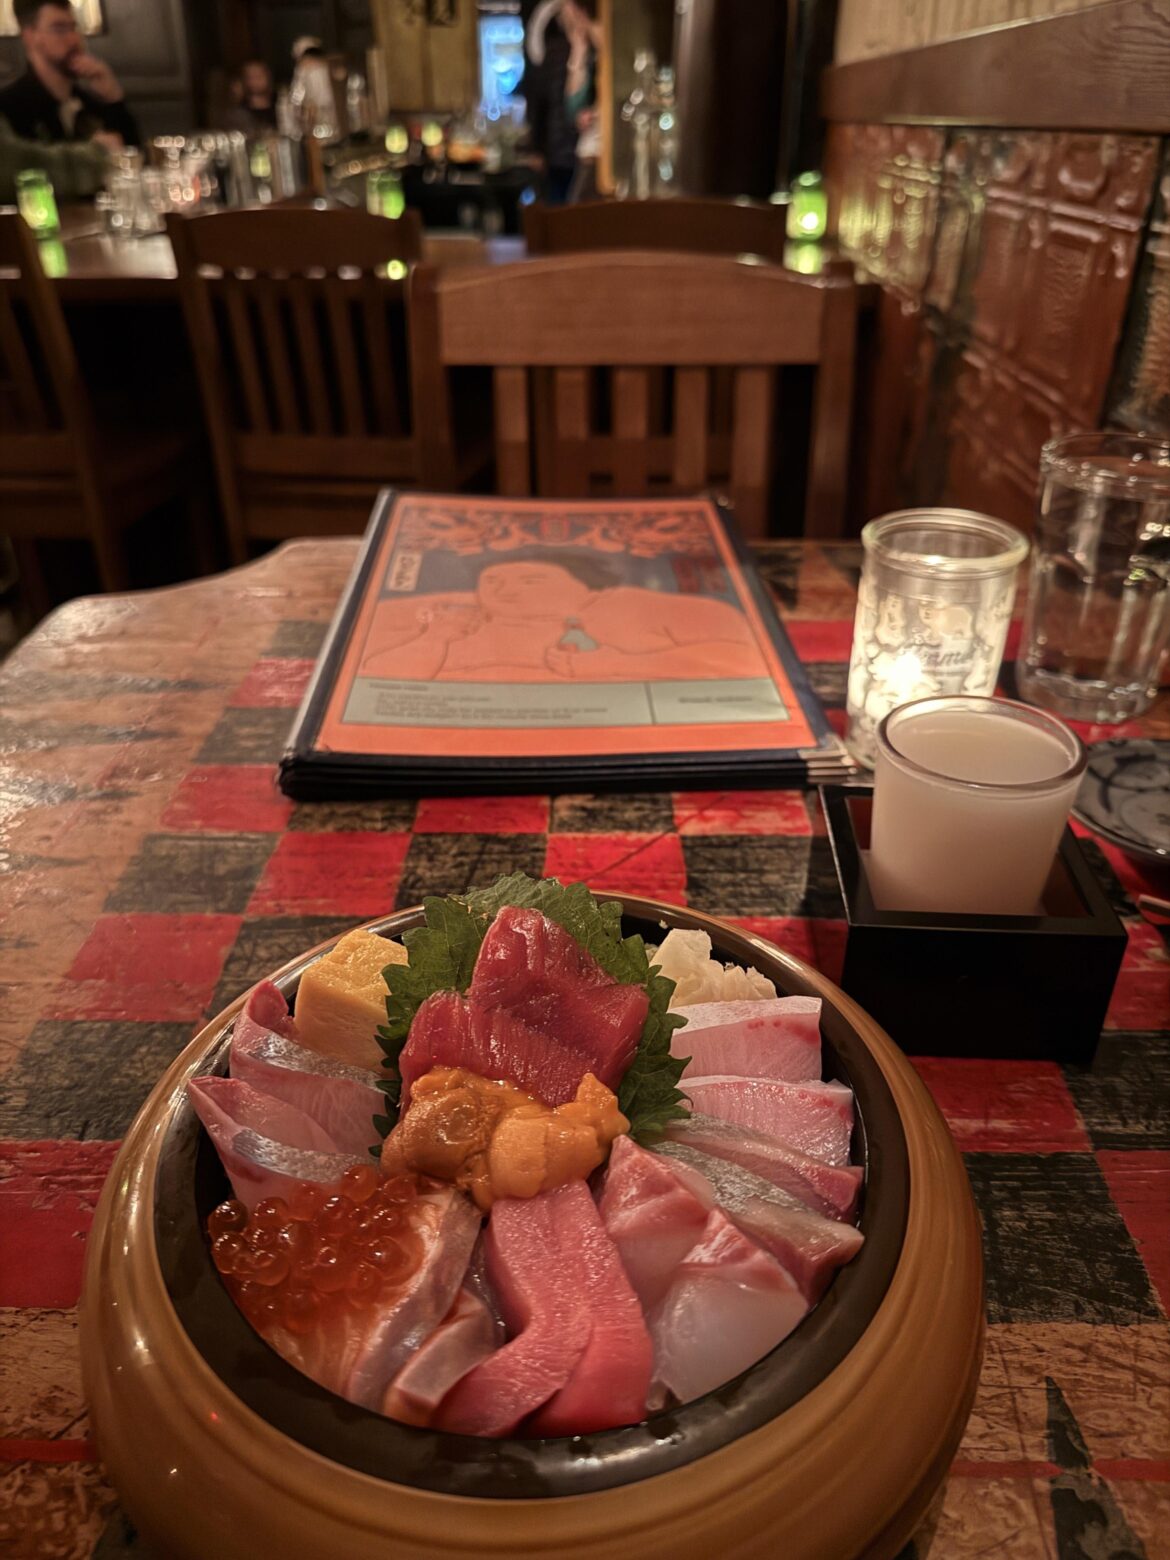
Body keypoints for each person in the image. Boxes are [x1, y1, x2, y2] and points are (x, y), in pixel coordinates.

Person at [359, 553, 768, 683]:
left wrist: (620, 664)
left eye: (531, 579)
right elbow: (378, 681)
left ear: (583, 584)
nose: (504, 589)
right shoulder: (455, 620)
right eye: (492, 580)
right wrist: (433, 639)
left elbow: (746, 660)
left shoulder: (631, 605)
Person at [0, 0, 138, 147]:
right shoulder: (8, 110)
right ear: (30, 37)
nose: (74, 39)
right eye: (59, 29)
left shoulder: (87, 104)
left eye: (74, 27)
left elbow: (135, 159)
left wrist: (113, 99)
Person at [223, 59, 277, 136]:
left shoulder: (280, 110)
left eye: (259, 76)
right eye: (251, 77)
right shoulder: (236, 116)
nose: (255, 81)